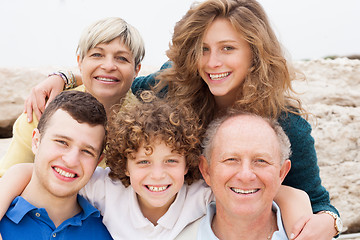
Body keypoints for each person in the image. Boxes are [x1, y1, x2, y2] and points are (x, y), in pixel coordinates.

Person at [16, 0, 341, 238]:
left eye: (228, 48)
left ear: (254, 53)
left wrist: (330, 222)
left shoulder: (285, 123)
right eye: (203, 48)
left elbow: (315, 201)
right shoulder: (171, 88)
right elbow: (114, 79)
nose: (213, 62)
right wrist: (64, 77)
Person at [0, 93, 312, 239]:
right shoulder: (107, 188)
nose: (158, 175)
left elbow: (280, 193)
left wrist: (309, 221)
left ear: (191, 166)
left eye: (171, 162)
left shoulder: (199, 194)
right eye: (144, 161)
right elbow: (37, 172)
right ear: (124, 165)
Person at [0, 16, 145, 176]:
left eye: (122, 58)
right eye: (97, 55)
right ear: (80, 62)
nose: (109, 66)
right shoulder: (45, 109)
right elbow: (7, 176)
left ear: (136, 69)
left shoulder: (148, 123)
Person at [0, 91, 113, 239]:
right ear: (36, 141)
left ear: (98, 162)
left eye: (86, 151)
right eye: (62, 142)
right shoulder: (4, 216)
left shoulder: (109, 231)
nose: (71, 160)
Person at [176, 111, 296, 240]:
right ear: (206, 170)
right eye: (231, 159)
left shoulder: (310, 235)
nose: (245, 176)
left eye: (261, 161)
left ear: (282, 173)